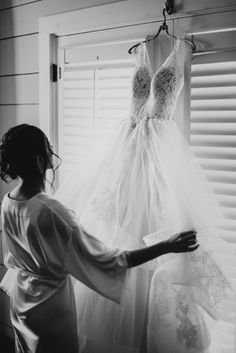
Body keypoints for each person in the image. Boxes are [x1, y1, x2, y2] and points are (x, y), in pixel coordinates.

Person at [54, 39, 236, 353]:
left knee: (156, 229)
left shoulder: (182, 47)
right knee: (119, 228)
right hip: (125, 155)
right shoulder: (140, 48)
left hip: (161, 160)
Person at [0, 124, 198, 353]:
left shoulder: (9, 201)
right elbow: (107, 259)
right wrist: (165, 246)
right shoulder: (51, 211)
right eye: (48, 148)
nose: (52, 153)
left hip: (23, 300)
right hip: (50, 308)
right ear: (39, 161)